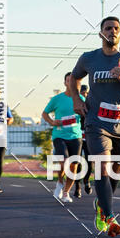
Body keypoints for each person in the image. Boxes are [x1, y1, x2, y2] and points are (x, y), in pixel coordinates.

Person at [70, 17, 120, 237]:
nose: (112, 31)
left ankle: (102, 206)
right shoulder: (89, 58)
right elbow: (74, 78)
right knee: (102, 167)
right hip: (96, 122)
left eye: (116, 29)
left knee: (115, 172)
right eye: (108, 28)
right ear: (101, 34)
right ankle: (110, 216)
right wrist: (76, 100)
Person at [42, 73, 84, 202]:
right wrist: (52, 122)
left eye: (74, 81)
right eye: (68, 80)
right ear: (65, 83)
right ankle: (60, 182)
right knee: (64, 162)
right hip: (59, 135)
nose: (71, 83)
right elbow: (45, 113)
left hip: (75, 136)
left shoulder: (81, 98)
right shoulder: (57, 99)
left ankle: (66, 192)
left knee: (74, 166)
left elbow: (86, 114)